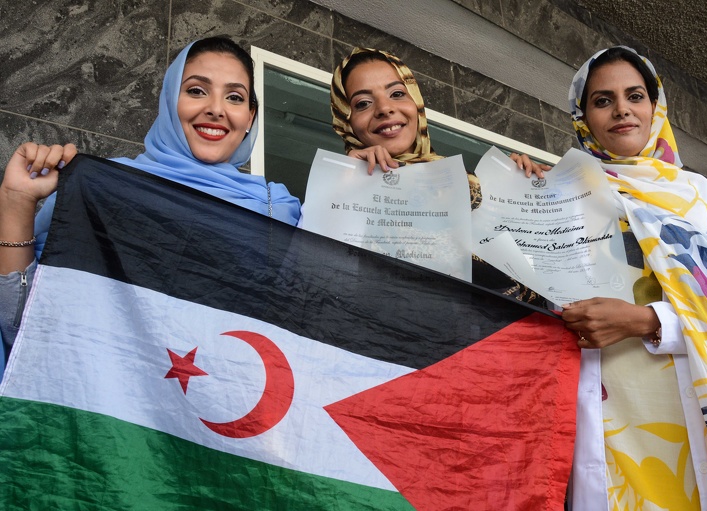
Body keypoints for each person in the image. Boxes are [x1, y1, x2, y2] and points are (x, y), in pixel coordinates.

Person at [553, 46, 707, 510]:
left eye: (634, 95)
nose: (622, 109)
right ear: (582, 116)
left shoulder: (702, 198)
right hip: (609, 407)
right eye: (602, 100)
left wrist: (648, 320)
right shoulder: (563, 190)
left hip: (701, 405)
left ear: (654, 106)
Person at [0, 37, 301, 379]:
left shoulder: (279, 211)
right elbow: (24, 327)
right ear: (169, 101)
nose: (216, 108)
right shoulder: (100, 189)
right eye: (197, 91)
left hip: (222, 424)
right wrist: (17, 202)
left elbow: (322, 335)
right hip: (111, 420)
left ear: (250, 117)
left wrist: (364, 183)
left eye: (234, 97)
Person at [330, 47, 544, 303]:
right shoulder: (339, 194)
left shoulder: (473, 186)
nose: (385, 108)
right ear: (346, 119)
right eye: (363, 103)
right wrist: (341, 192)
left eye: (397, 93)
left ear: (416, 103)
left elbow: (536, 272)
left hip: (513, 336)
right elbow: (323, 280)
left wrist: (526, 193)